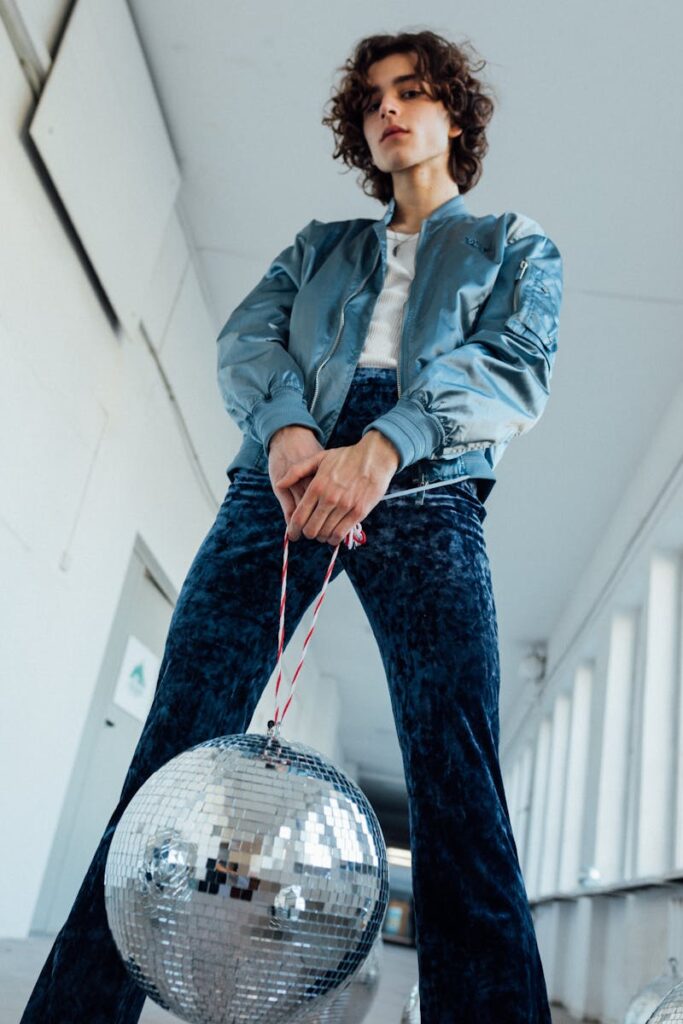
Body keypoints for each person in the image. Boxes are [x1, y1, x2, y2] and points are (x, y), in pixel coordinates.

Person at [21, 28, 563, 1024]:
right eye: (370, 101)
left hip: (426, 487)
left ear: (453, 113)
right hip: (280, 476)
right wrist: (284, 434)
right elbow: (246, 341)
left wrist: (386, 443)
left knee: (458, 791)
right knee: (168, 758)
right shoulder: (320, 247)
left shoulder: (513, 245)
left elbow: (512, 366)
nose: (387, 110)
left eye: (409, 92)